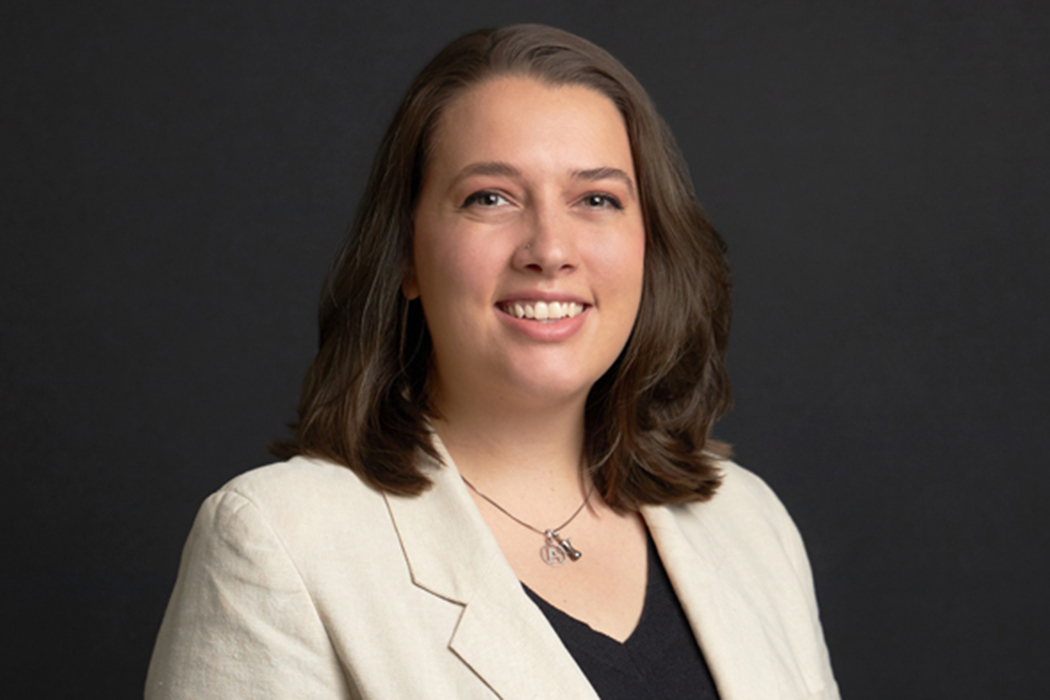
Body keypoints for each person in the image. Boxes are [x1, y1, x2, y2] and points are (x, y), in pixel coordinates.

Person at [145, 24, 839, 699]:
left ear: (649, 247)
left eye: (596, 199)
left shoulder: (748, 522)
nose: (549, 248)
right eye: (490, 198)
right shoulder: (278, 543)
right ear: (408, 256)